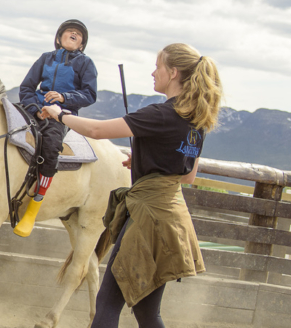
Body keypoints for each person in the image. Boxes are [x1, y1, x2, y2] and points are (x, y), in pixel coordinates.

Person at [40, 43, 221, 327]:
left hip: (147, 218)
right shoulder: (197, 120)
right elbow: (186, 176)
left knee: (107, 304)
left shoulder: (161, 114)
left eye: (158, 66)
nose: (153, 72)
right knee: (147, 312)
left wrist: (59, 114)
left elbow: (97, 131)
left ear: (173, 72)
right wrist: (146, 158)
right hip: (172, 217)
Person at [7, 19, 98, 237]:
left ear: (82, 45)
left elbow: (89, 94)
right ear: (59, 38)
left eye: (78, 34)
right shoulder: (45, 58)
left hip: (62, 115)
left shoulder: (86, 64)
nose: (74, 34)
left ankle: (35, 205)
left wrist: (64, 98)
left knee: (50, 147)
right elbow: (27, 86)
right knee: (5, 123)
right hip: (35, 107)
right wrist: (35, 108)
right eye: (69, 31)